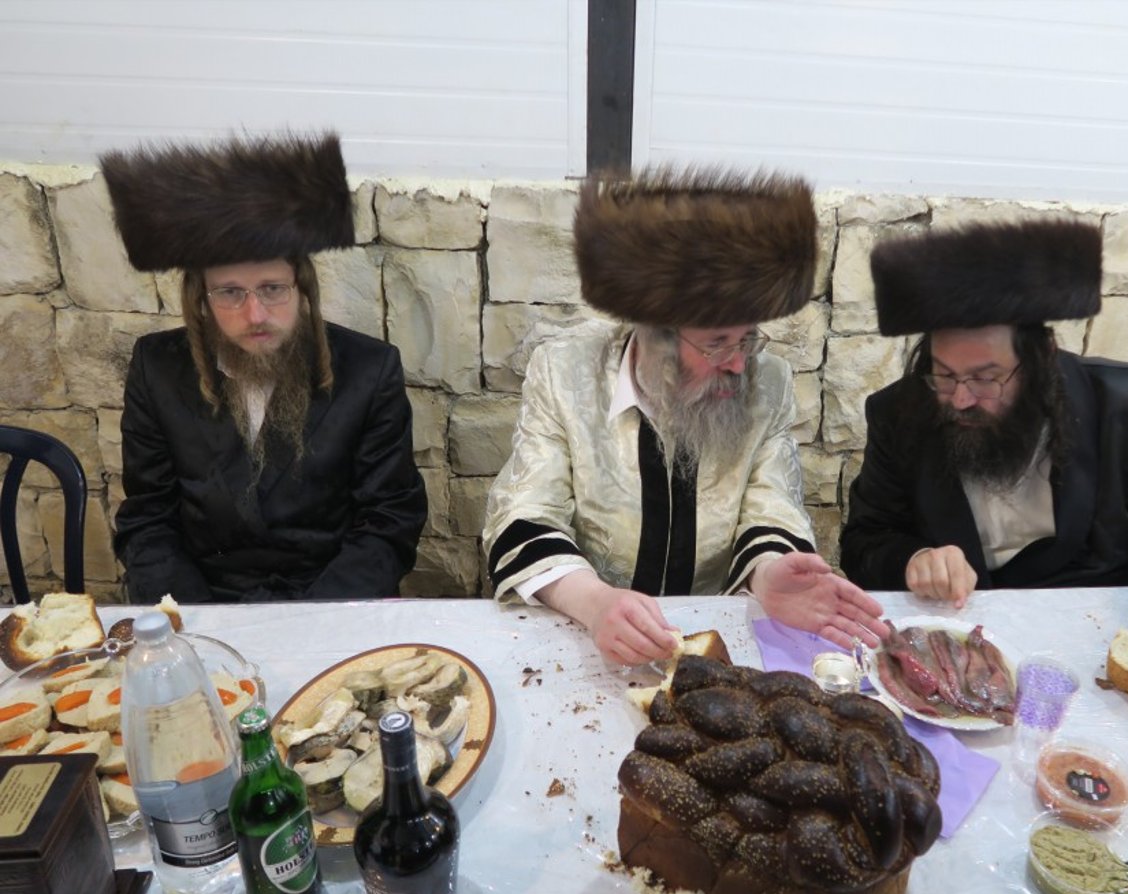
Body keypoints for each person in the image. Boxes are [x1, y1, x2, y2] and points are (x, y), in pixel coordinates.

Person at [483, 167, 886, 664]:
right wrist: (596, 602)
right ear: (654, 335)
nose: (738, 364)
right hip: (587, 632)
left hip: (714, 636)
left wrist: (768, 574)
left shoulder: (767, 383)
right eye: (718, 343)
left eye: (748, 338)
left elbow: (771, 511)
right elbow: (524, 515)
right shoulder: (565, 374)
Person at [840, 219, 1128, 660]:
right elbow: (866, 539)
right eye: (945, 375)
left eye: (986, 378)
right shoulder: (901, 413)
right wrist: (912, 558)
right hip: (953, 646)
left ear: (1042, 356)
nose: (962, 399)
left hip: (1094, 645)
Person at [102, 133, 427, 603]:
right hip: (206, 602)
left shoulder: (370, 370)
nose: (255, 314)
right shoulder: (157, 368)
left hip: (330, 601)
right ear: (201, 299)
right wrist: (199, 625)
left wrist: (309, 624)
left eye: (272, 288)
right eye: (230, 292)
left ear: (302, 288)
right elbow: (148, 518)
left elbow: (389, 521)